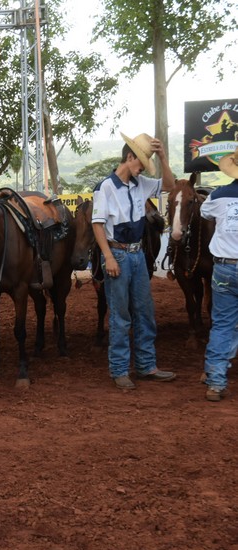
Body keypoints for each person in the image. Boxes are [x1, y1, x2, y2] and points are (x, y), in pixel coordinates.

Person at [92, 132, 177, 389]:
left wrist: (162, 157)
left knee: (144, 311)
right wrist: (108, 257)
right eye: (140, 162)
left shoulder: (140, 183)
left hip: (137, 254)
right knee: (121, 315)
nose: (142, 168)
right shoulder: (105, 187)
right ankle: (119, 369)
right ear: (129, 158)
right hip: (118, 253)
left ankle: (145, 365)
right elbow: (97, 225)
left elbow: (170, 185)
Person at [201, 148, 238, 402]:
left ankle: (215, 381)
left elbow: (205, 213)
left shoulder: (218, 195)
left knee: (223, 323)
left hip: (225, 266)